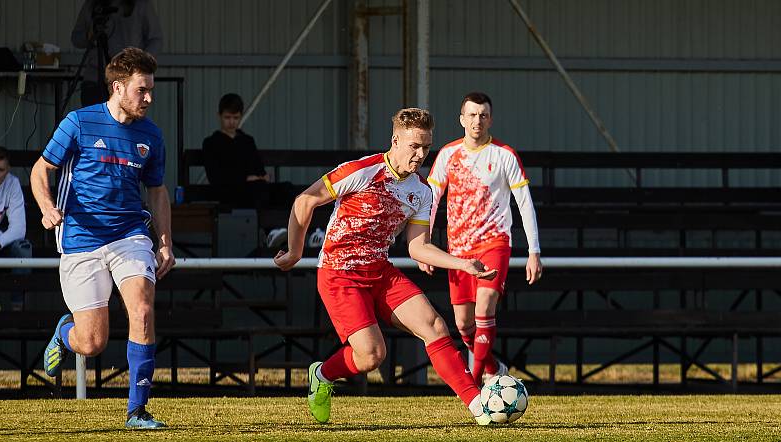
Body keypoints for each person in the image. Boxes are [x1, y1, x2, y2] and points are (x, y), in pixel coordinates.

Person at [274, 107, 499, 425]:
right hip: (340, 274)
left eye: (426, 147)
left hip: (380, 271)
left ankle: (481, 409)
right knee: (372, 355)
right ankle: (322, 375)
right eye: (414, 145)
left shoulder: (422, 191)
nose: (420, 154)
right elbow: (305, 201)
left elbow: (418, 247)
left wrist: (464, 264)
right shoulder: (362, 170)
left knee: (434, 326)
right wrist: (295, 251)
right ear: (396, 140)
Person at [31, 47, 174, 429]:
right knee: (92, 343)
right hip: (81, 238)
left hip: (130, 235)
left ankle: (137, 410)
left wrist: (164, 242)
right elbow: (40, 170)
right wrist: (47, 207)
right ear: (118, 87)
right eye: (142, 90)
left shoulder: (152, 135)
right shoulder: (78, 123)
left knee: (143, 311)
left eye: (150, 90)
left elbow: (157, 191)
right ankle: (64, 334)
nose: (149, 98)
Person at [426, 92, 542, 386]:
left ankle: (473, 385)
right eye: (472, 115)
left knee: (484, 307)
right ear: (462, 119)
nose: (478, 120)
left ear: (491, 118)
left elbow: (524, 202)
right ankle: (492, 368)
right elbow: (431, 199)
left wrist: (534, 251)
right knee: (463, 324)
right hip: (459, 251)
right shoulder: (448, 155)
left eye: (483, 115)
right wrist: (424, 244)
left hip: (494, 243)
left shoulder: (505, 155)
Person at [202, 93, 298, 247]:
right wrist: (246, 179)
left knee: (287, 188)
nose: (231, 122)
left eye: (235, 118)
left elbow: (259, 169)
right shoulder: (211, 143)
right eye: (227, 117)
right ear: (219, 116)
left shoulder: (247, 141)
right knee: (259, 189)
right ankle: (271, 231)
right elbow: (216, 177)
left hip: (254, 188)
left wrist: (262, 177)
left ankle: (298, 232)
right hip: (228, 190)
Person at [71, 0, 163, 107]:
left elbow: (156, 39)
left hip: (129, 79)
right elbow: (76, 38)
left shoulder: (140, 5)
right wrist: (90, 34)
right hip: (95, 77)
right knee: (94, 120)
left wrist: (140, 65)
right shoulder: (92, 5)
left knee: (127, 121)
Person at [0, 146, 33, 266]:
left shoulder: (12, 183)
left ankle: (22, 285)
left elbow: (19, 229)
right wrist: (4, 235)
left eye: (0, 170)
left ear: (8, 169)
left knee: (23, 248)